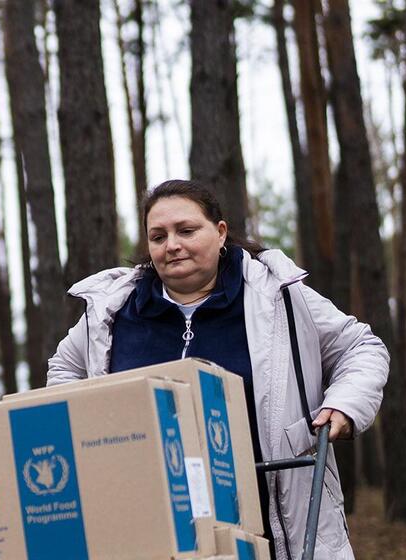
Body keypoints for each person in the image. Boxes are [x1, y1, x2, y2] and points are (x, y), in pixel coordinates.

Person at [47, 179, 388, 560]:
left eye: (186, 230)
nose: (172, 245)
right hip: (152, 536)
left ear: (220, 232)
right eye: (158, 236)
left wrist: (344, 406)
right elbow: (64, 368)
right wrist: (84, 432)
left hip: (275, 530)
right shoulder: (113, 311)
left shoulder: (276, 296)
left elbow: (360, 347)